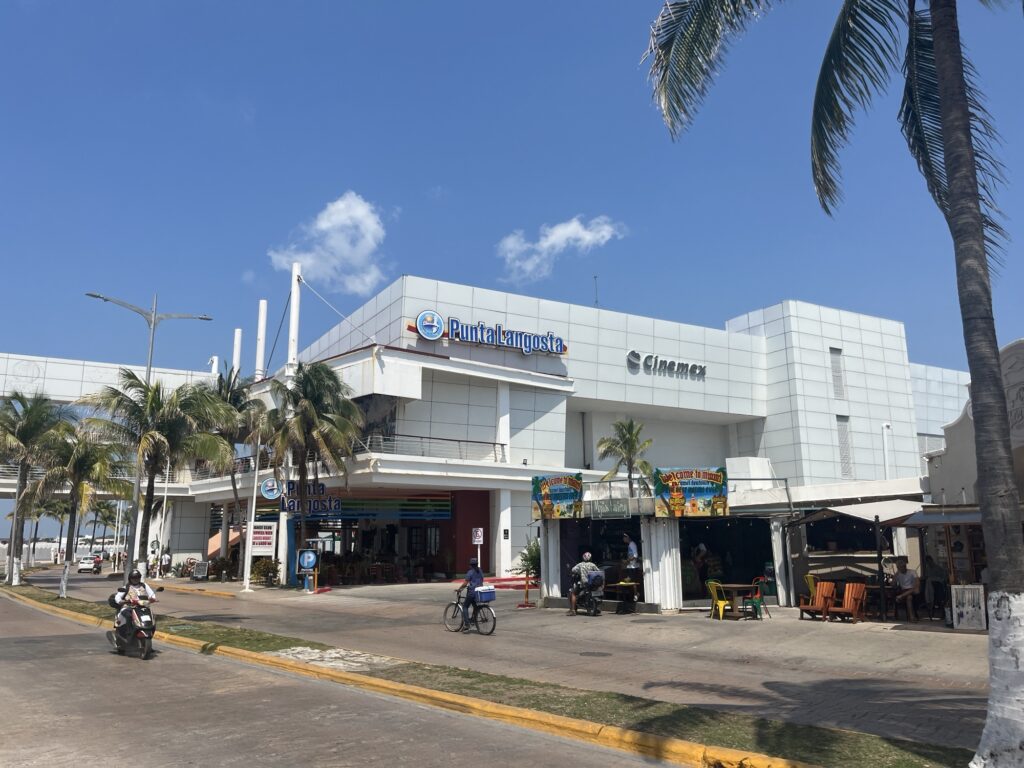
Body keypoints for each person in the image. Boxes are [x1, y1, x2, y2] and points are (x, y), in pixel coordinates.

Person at [112, 569, 157, 640]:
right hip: (129, 607)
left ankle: (149, 635)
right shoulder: (127, 587)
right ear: (130, 578)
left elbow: (152, 594)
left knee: (151, 618)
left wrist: (153, 598)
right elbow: (118, 596)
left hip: (142, 607)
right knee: (127, 616)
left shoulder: (144, 585)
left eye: (137, 577)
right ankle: (124, 634)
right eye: (134, 578)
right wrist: (121, 601)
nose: (136, 579)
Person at [568, 552, 601, 616]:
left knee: (573, 593)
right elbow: (598, 572)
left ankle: (573, 610)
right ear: (591, 558)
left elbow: (573, 570)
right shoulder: (592, 565)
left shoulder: (580, 565)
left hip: (584, 583)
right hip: (592, 583)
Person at [457, 557, 484, 631]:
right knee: (475, 606)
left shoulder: (470, 572)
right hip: (479, 591)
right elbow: (482, 580)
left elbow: (465, 583)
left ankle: (467, 624)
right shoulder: (480, 570)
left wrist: (459, 589)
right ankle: (473, 619)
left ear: (471, 565)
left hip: (472, 592)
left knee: (465, 607)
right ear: (477, 564)